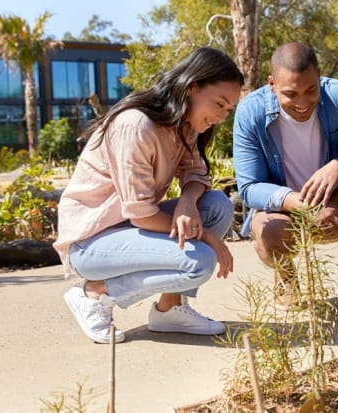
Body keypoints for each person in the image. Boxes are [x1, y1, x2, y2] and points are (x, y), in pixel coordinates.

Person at [54, 47, 244, 343]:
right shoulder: (135, 125)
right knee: (199, 261)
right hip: (91, 241)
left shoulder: (185, 125)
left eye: (227, 110)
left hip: (129, 228)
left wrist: (187, 202)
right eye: (219, 104)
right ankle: (93, 293)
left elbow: (196, 175)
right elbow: (142, 214)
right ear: (192, 87)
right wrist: (205, 235)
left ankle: (169, 309)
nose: (220, 116)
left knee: (217, 205)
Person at [233, 42, 338, 320]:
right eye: (290, 94)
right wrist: (302, 205)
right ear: (272, 84)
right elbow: (250, 189)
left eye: (311, 90)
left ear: (319, 76)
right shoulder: (250, 112)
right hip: (284, 212)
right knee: (267, 229)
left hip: (336, 207)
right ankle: (286, 278)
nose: (302, 102)